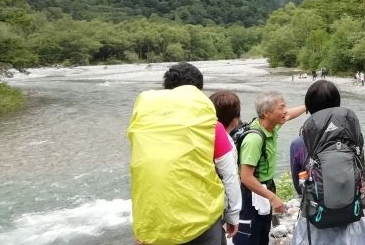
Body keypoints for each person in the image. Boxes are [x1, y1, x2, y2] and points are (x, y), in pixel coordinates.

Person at [128, 62, 234, 244]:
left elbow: (143, 173)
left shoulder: (145, 126)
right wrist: (233, 215)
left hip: (153, 222)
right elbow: (230, 174)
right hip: (201, 221)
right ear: (198, 92)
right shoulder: (210, 126)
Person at [291, 80, 365, 244]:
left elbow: (298, 183)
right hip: (352, 216)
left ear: (309, 108)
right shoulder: (352, 136)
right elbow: (360, 169)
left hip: (317, 219)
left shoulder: (299, 144)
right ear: (338, 104)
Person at [233, 92, 307, 245]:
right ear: (266, 113)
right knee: (248, 238)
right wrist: (272, 197)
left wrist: (309, 105)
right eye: (281, 107)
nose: (285, 111)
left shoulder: (271, 126)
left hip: (263, 191)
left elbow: (290, 114)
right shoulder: (254, 139)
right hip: (250, 195)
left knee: (262, 234)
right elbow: (246, 177)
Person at [209, 91, 244, 237]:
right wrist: (233, 215)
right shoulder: (226, 141)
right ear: (235, 120)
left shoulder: (202, 134)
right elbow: (230, 177)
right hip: (214, 207)